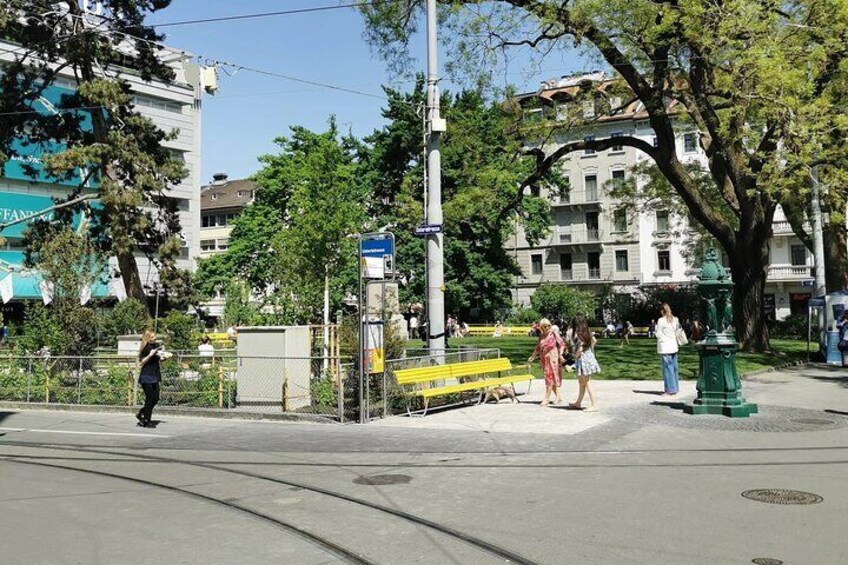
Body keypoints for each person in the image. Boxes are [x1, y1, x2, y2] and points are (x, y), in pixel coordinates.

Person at [528, 318, 566, 406]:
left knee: (549, 378)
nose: (547, 328)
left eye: (549, 325)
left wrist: (561, 354)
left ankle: (546, 398)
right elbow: (538, 348)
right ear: (541, 327)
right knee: (549, 378)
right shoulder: (542, 336)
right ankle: (558, 397)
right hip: (544, 359)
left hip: (553, 358)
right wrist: (532, 356)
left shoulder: (554, 334)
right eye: (544, 326)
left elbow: (562, 344)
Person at [137, 330, 170, 427]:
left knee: (156, 398)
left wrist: (164, 358)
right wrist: (150, 355)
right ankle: (146, 420)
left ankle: (142, 412)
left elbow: (158, 358)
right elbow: (141, 362)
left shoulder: (156, 346)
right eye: (152, 337)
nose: (155, 338)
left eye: (154, 336)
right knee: (149, 397)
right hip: (146, 375)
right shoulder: (145, 348)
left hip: (155, 374)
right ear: (148, 339)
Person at [569, 315, 599, 411]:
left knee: (586, 382)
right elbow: (594, 341)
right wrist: (590, 349)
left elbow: (580, 349)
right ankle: (578, 403)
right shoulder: (587, 332)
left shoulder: (579, 334)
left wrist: (575, 357)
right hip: (588, 357)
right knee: (582, 382)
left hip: (583, 360)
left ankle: (594, 405)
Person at [656, 303, 682, 396]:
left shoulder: (661, 320)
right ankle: (675, 387)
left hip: (665, 347)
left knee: (667, 369)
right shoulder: (675, 319)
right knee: (674, 368)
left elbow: (658, 334)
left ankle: (670, 390)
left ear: (662, 311)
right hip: (673, 346)